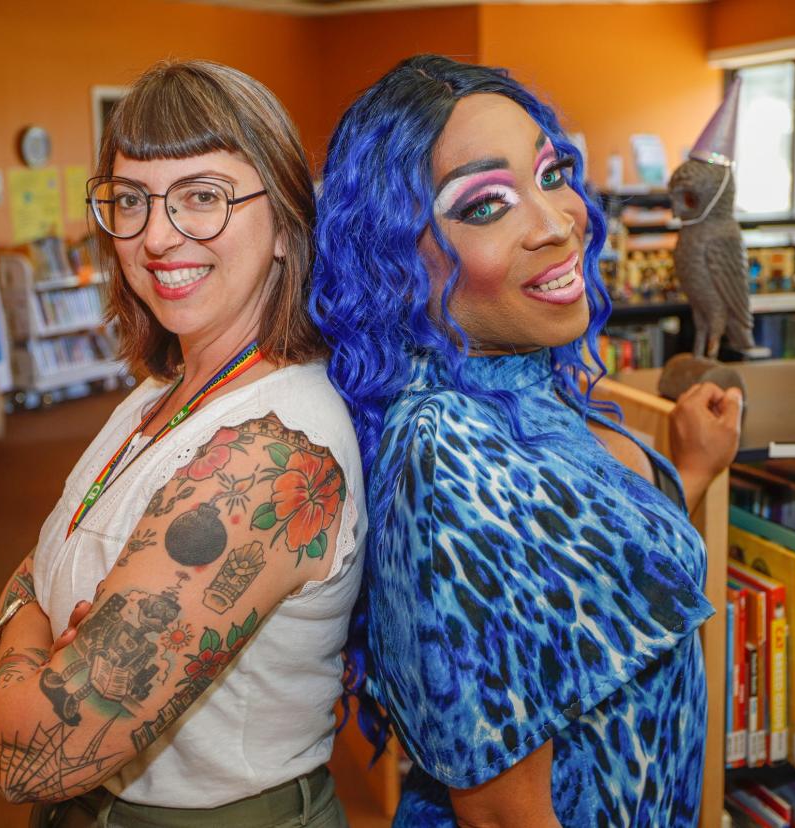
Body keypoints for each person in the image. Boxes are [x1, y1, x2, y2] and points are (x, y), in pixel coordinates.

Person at [310, 55, 742, 827]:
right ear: (396, 257)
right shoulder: (449, 455)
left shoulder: (514, 381)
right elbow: (503, 816)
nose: (556, 222)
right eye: (486, 205)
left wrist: (687, 472)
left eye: (552, 174)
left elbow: (585, 591)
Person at [0, 60, 364, 828]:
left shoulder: (273, 453)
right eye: (131, 200)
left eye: (202, 197)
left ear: (287, 225)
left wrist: (27, 624)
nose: (157, 235)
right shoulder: (155, 397)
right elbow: (39, 566)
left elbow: (28, 750)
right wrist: (50, 633)